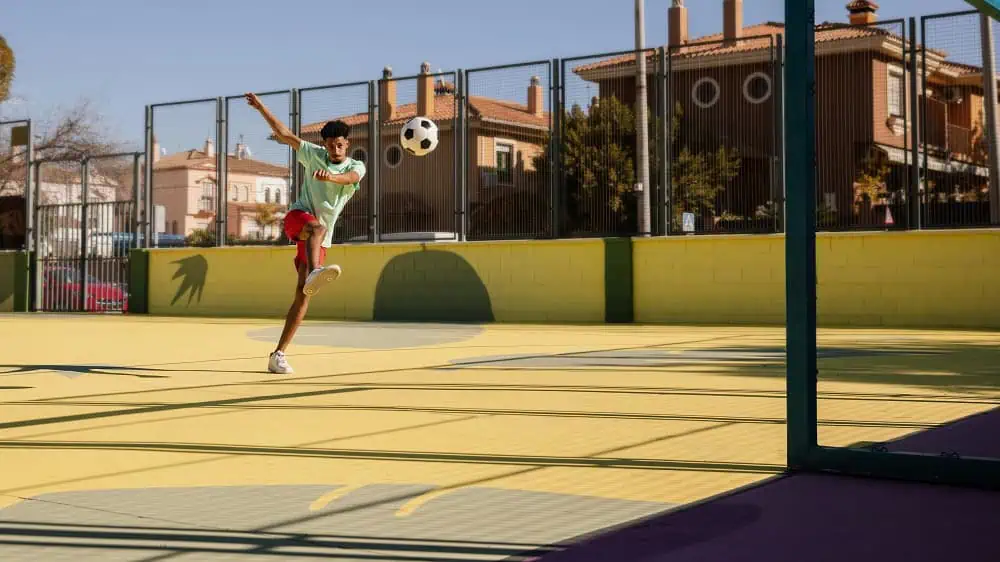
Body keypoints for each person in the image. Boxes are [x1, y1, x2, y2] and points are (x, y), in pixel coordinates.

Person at [245, 92, 366, 374]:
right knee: (317, 227)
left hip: (318, 241)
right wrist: (261, 107)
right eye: (331, 145)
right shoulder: (313, 155)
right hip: (298, 220)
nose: (335, 149)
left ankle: (278, 355)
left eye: (340, 145)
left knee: (303, 295)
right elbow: (284, 133)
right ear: (324, 145)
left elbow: (351, 178)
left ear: (346, 144)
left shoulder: (355, 165)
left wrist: (331, 177)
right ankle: (316, 270)